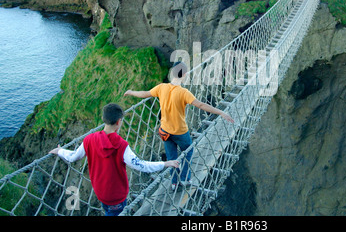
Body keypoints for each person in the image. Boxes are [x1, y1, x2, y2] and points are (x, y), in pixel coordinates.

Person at [49, 103, 179, 216]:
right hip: (117, 196)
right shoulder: (121, 146)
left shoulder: (89, 140)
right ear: (118, 122)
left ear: (104, 119)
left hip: (100, 193)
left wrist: (59, 151)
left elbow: (73, 157)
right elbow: (141, 165)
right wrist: (166, 163)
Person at [124, 61, 234, 191]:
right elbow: (201, 105)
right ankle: (185, 178)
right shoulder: (184, 92)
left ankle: (174, 183)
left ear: (172, 73)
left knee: (172, 158)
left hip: (165, 131)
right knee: (188, 151)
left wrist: (131, 92)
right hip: (180, 132)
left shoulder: (161, 87)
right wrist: (221, 112)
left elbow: (144, 94)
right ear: (185, 75)